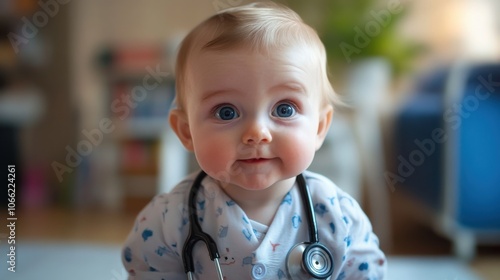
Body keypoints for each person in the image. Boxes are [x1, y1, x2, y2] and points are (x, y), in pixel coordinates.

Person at [122, 2, 387, 279]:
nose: (257, 132)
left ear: (319, 128)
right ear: (187, 132)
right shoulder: (168, 220)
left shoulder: (338, 215)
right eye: (227, 112)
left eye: (284, 109)